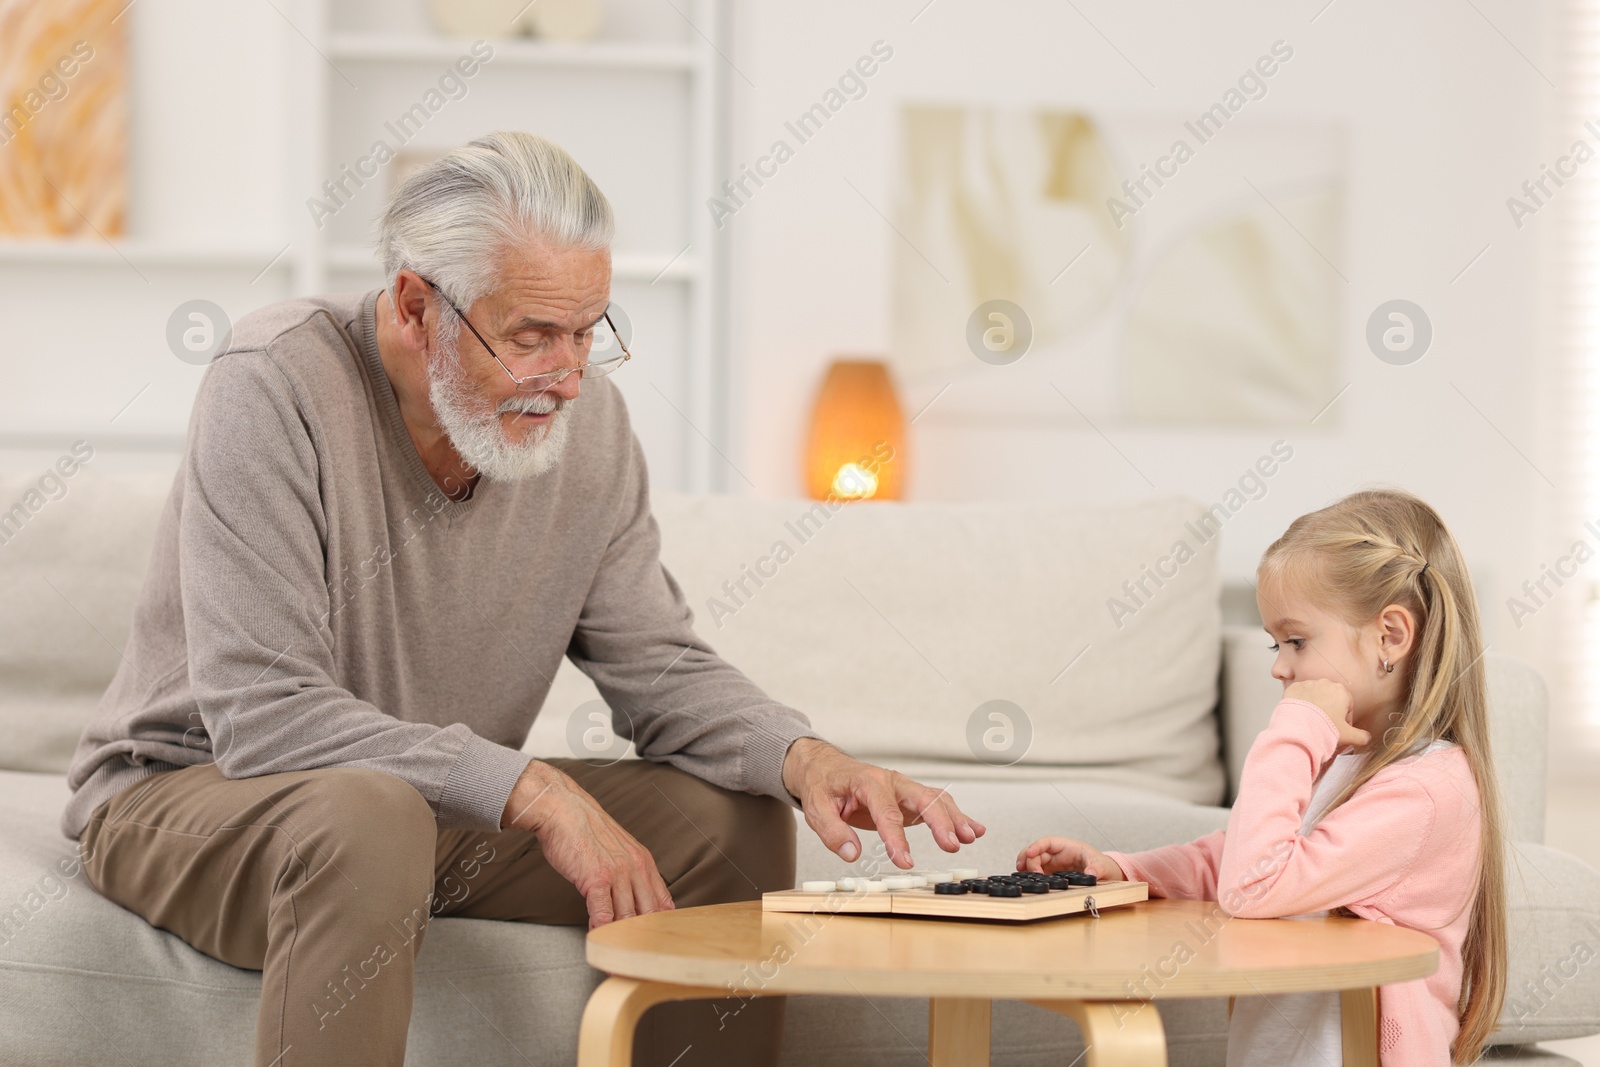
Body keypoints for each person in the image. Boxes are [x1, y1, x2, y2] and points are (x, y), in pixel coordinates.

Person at [61, 130, 984, 1067]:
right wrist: (532, 788)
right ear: (418, 305)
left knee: (732, 819)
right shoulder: (274, 384)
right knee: (369, 818)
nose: (569, 376)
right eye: (531, 336)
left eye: (587, 331)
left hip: (430, 817)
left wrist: (801, 754)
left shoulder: (588, 431)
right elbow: (265, 716)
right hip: (201, 796)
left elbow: (656, 664)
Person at [1018, 489, 1506, 1066]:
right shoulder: (1342, 760)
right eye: (1277, 644)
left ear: (1391, 637)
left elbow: (1252, 885)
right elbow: (1241, 855)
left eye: (1296, 641)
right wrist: (1127, 869)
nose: (1278, 665)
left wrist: (1294, 729)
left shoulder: (1427, 789)